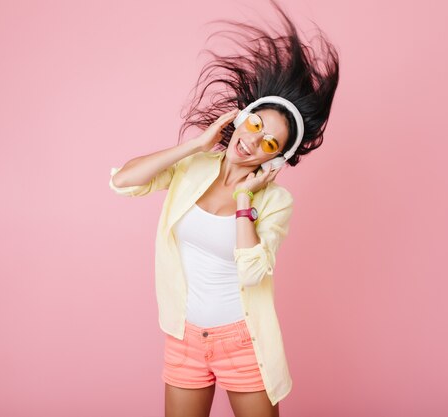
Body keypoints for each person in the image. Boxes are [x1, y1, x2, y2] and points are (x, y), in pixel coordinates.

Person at [109, 1, 339, 416]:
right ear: (242, 118)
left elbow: (252, 270)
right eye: (255, 124)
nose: (253, 140)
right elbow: (124, 181)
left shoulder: (275, 202)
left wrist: (244, 199)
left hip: (243, 341)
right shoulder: (193, 168)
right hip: (185, 338)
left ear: (275, 158)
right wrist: (198, 143)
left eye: (269, 142)